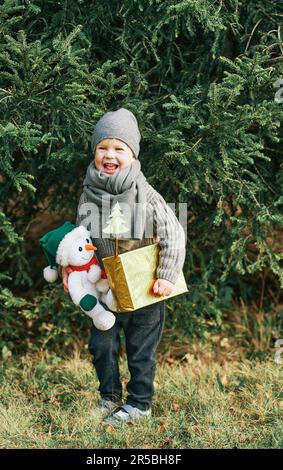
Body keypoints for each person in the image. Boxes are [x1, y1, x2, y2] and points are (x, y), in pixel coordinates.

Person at [73, 108, 186, 424]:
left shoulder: (145, 194)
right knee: (102, 345)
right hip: (105, 288)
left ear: (132, 154)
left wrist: (166, 275)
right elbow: (81, 235)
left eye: (119, 148)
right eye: (102, 147)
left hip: (144, 287)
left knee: (140, 351)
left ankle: (139, 404)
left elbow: (173, 234)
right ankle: (109, 398)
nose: (110, 154)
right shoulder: (87, 192)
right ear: (95, 152)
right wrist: (76, 267)